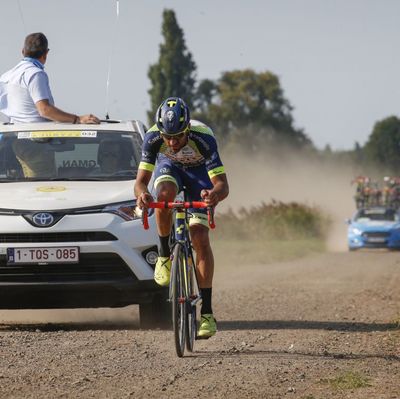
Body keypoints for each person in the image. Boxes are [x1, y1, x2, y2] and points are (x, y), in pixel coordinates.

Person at [134, 97, 229, 338]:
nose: (173, 142)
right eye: (168, 137)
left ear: (187, 129)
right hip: (171, 169)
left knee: (199, 237)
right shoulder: (153, 138)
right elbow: (141, 182)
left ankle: (206, 313)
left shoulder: (203, 138)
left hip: (199, 176)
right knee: (163, 195)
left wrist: (212, 196)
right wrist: (143, 195)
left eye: (178, 136)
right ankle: (165, 256)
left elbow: (222, 185)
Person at [0, 32, 99, 124]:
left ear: (23, 51)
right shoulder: (35, 74)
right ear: (46, 53)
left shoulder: (5, 77)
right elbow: (45, 110)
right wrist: (78, 119)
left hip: (10, 138)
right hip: (36, 139)